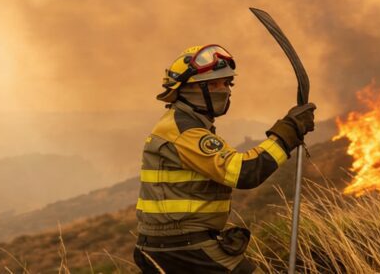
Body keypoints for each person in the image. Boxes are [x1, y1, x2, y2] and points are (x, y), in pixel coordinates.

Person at [133, 44, 316, 273]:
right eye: (213, 84)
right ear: (188, 88)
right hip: (182, 248)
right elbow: (245, 172)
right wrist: (288, 132)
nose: (225, 90)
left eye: (228, 83)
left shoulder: (186, 124)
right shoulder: (185, 131)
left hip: (172, 244)